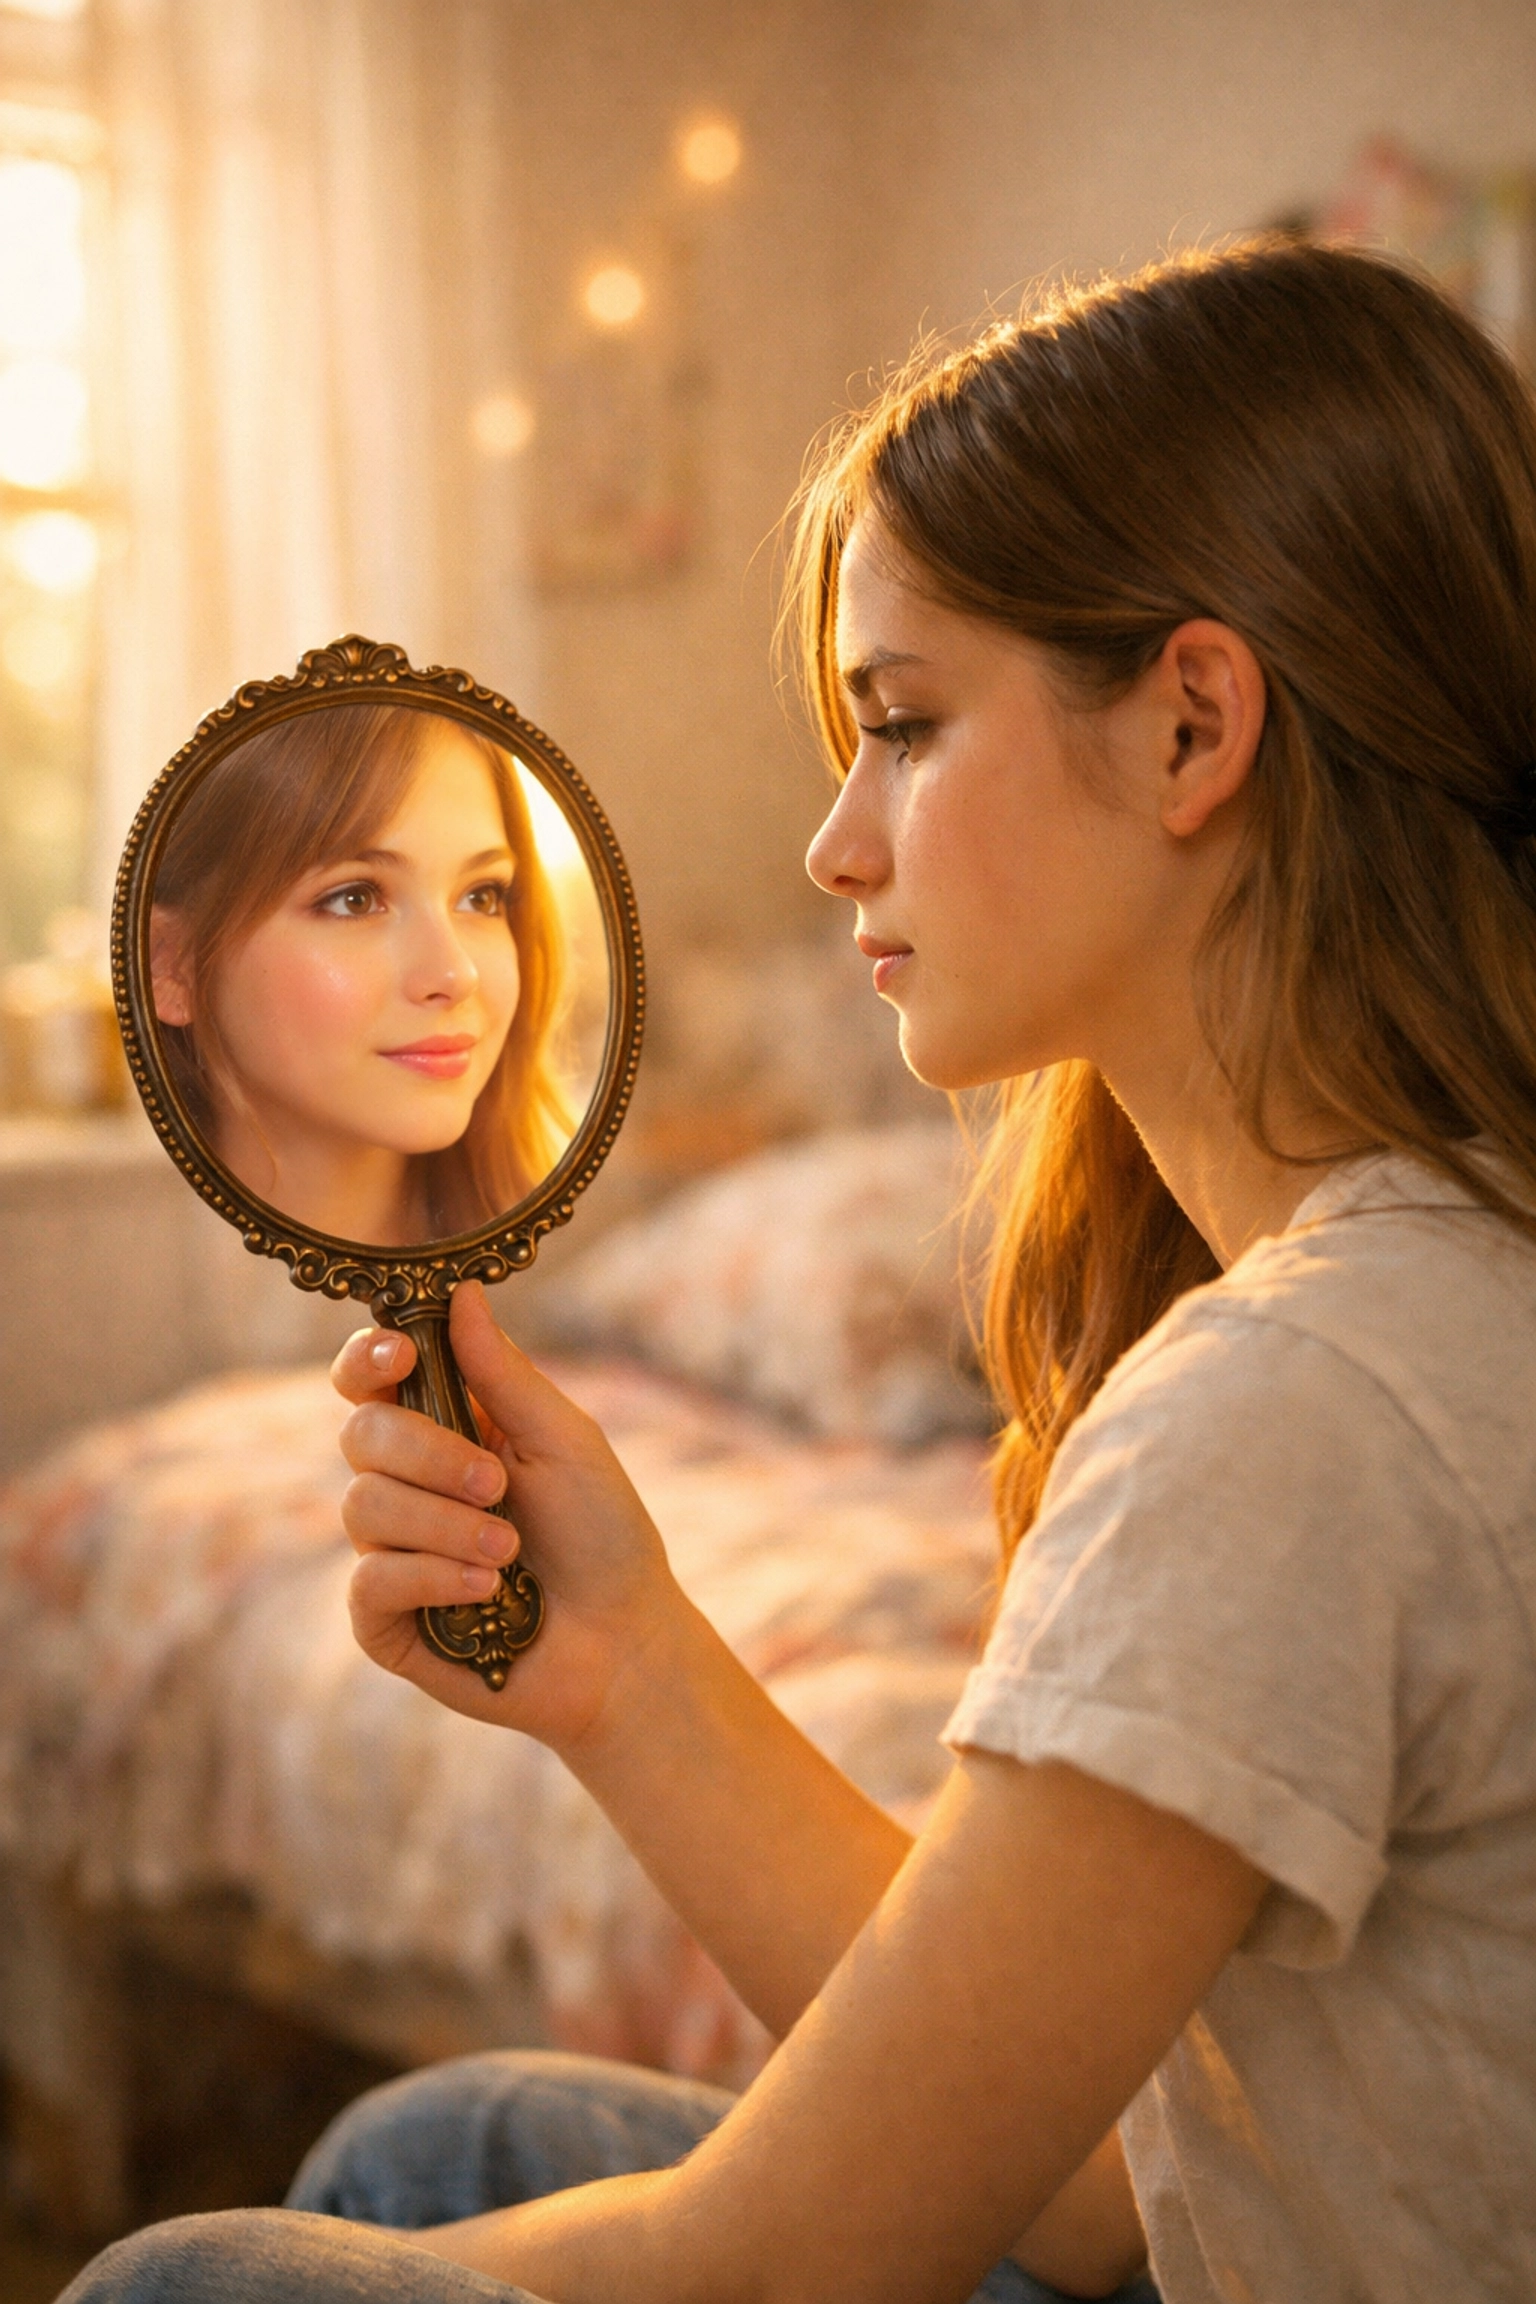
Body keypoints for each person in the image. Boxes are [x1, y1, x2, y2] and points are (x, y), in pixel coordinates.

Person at [70, 234, 1536, 2303]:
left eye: (909, 728)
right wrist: (634, 1669)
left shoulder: (1303, 1408)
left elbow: (791, 2265)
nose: (838, 842)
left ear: (1197, 724)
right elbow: (1110, 2175)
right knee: (454, 2135)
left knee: (191, 2284)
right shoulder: (1443, 1276)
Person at [149, 702, 573, 1245]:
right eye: (355, 899)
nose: (456, 973)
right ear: (172, 964)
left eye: (481, 896)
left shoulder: (581, 1288)